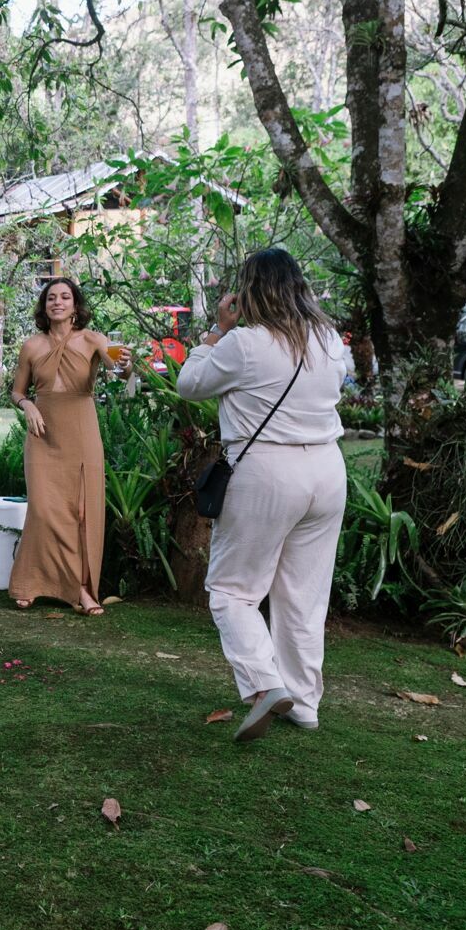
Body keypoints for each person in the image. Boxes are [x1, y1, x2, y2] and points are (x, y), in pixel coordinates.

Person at [177, 248, 348, 742]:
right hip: (326, 470)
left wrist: (215, 332)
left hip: (269, 470)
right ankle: (305, 703)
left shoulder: (246, 343)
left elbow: (190, 384)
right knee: (304, 594)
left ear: (250, 290)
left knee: (231, 590)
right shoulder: (328, 338)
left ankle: (264, 684)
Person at [8, 278, 120, 616]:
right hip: (43, 437)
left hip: (82, 432)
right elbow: (16, 392)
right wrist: (27, 406)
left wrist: (120, 359)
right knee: (43, 510)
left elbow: (117, 364)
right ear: (44, 306)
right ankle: (35, 582)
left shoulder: (92, 339)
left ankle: (81, 589)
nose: (58, 302)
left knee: (81, 513)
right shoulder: (31, 346)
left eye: (65, 297)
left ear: (75, 305)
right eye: (52, 297)